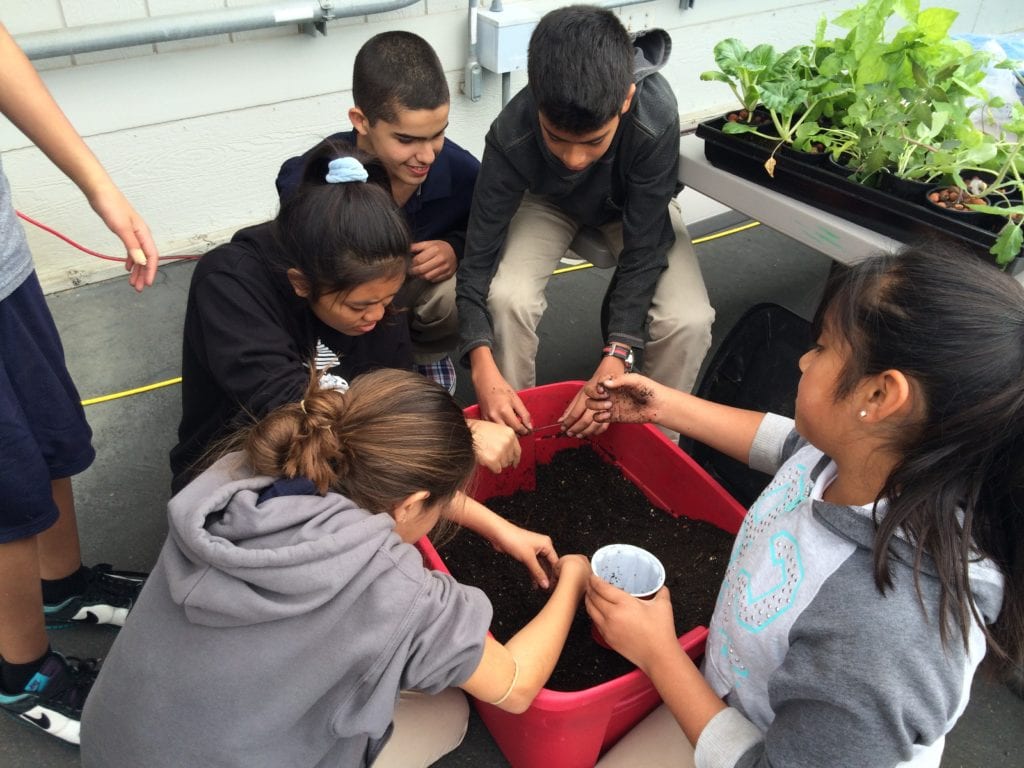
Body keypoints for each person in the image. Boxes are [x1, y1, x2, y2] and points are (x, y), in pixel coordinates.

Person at [582, 247, 1024, 768]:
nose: (802, 359)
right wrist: (664, 406)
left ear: (881, 396)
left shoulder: (879, 642)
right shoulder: (875, 458)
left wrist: (659, 654)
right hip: (742, 698)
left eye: (821, 347)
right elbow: (791, 448)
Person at [82, 368, 591, 767]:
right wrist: (573, 575)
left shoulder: (242, 472)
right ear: (412, 504)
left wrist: (499, 528)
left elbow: (384, 486)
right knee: (447, 712)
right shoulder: (395, 590)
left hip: (111, 742)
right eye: (443, 503)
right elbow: (517, 686)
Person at [171, 142, 518, 496]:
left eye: (388, 299)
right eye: (359, 306)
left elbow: (391, 389)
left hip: (340, 451)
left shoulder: (374, 291)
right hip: (240, 465)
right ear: (301, 283)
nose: (378, 315)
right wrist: (463, 432)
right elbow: (292, 408)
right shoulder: (231, 283)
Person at [0, 24, 162, 746]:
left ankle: (61, 588)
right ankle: (22, 670)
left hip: (4, 268)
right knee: (7, 488)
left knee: (53, 430)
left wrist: (100, 187)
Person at [456, 5, 714, 438]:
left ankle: (650, 442)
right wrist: (480, 361)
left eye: (594, 141)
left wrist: (618, 350)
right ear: (537, 99)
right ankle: (519, 435)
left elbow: (645, 246)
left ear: (626, 99)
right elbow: (476, 260)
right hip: (548, 202)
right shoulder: (512, 133)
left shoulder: (654, 115)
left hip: (632, 206)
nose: (574, 159)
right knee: (508, 298)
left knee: (688, 320)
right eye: (556, 139)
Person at [277, 31, 478, 395]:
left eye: (438, 134)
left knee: (458, 294)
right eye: (406, 139)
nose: (428, 155)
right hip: (339, 313)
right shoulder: (306, 181)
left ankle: (427, 357)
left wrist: (455, 247)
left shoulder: (465, 173)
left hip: (407, 301)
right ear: (361, 120)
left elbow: (488, 232)